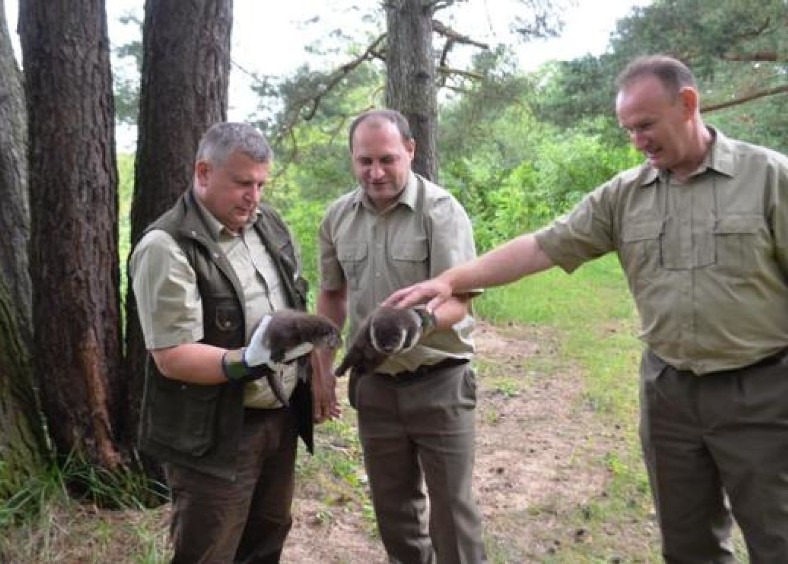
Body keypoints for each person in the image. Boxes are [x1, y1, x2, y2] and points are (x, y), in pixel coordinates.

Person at [387, 55, 788, 562]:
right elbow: (541, 246)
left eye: (646, 125)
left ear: (688, 104)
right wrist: (449, 279)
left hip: (763, 392)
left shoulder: (769, 177)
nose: (637, 140)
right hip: (670, 395)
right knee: (688, 545)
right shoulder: (625, 195)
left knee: (778, 537)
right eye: (628, 130)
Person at [129, 122, 332, 563]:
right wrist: (245, 361)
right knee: (210, 551)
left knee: (266, 540)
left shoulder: (268, 225)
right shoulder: (167, 246)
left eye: (261, 183)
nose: (254, 196)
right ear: (203, 172)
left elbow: (294, 302)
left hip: (278, 419)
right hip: (215, 434)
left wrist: (313, 371)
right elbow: (172, 357)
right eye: (242, 183)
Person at [315, 109, 487, 563]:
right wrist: (322, 370)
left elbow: (461, 299)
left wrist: (420, 324)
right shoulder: (337, 218)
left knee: (453, 513)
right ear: (352, 159)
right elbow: (332, 296)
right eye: (364, 160)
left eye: (387, 159)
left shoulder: (441, 211)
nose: (375, 172)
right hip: (375, 386)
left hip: (440, 382)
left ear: (409, 151)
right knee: (394, 512)